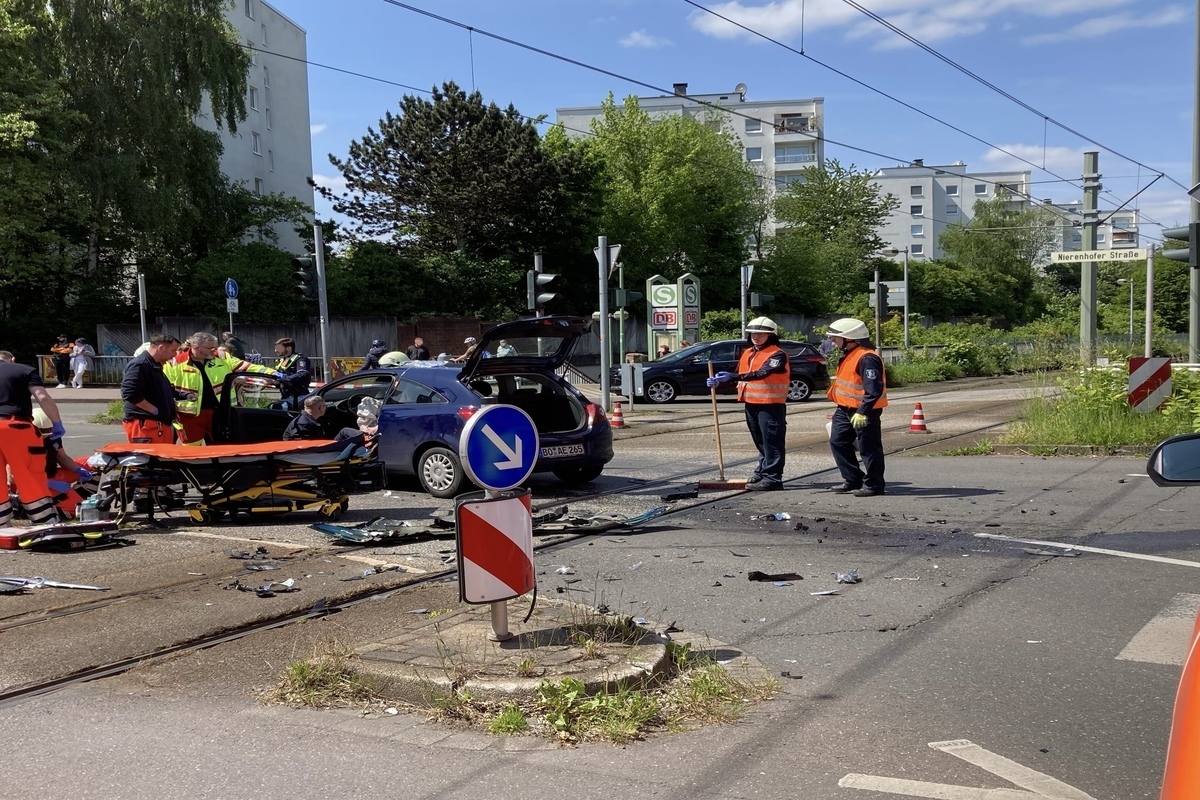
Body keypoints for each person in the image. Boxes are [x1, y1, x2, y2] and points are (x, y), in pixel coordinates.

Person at [706, 316, 790, 491]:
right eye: (753, 333)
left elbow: (762, 373)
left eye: (760, 334)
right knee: (760, 440)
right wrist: (719, 380)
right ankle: (762, 471)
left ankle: (773, 478)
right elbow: (741, 373)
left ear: (770, 335)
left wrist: (733, 377)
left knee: (771, 441)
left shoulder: (777, 354)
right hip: (751, 402)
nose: (756, 337)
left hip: (771, 404)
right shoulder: (748, 352)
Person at [163, 332, 279, 445]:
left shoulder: (221, 357)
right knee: (192, 450)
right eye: (210, 348)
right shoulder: (175, 363)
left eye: (215, 347)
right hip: (189, 415)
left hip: (221, 411)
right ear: (196, 347)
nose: (214, 350)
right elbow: (166, 390)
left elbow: (246, 366)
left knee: (223, 446)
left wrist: (273, 373)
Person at [0, 349, 65, 526]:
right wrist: (56, 422)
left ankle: (2, 527)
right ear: (12, 359)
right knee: (30, 475)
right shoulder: (23, 370)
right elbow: (42, 396)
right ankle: (45, 523)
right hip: (16, 427)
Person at [825, 317, 888, 497]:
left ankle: (874, 484)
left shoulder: (867, 357)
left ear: (849, 338)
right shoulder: (850, 354)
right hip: (844, 409)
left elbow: (874, 390)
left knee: (869, 448)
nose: (832, 340)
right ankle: (852, 479)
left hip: (864, 410)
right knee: (838, 441)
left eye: (835, 337)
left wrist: (862, 412)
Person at [121, 333, 193, 445]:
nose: (175, 355)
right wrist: (154, 411)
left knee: (161, 459)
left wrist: (183, 395)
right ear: (161, 348)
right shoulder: (140, 364)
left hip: (156, 423)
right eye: (173, 350)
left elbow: (163, 390)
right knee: (150, 458)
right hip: (146, 423)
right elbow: (130, 393)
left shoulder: (154, 365)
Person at [282, 395, 368, 446]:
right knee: (345, 432)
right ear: (320, 408)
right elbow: (307, 447)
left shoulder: (307, 420)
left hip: (318, 448)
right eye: (324, 406)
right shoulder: (302, 424)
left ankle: (365, 436)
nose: (325, 408)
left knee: (344, 431)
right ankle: (367, 438)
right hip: (314, 453)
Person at [274, 338, 312, 409]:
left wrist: (282, 379)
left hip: (299, 396)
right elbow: (279, 375)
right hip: (286, 396)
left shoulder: (300, 359)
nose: (275, 350)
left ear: (289, 348)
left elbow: (302, 374)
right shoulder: (283, 360)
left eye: (278, 348)